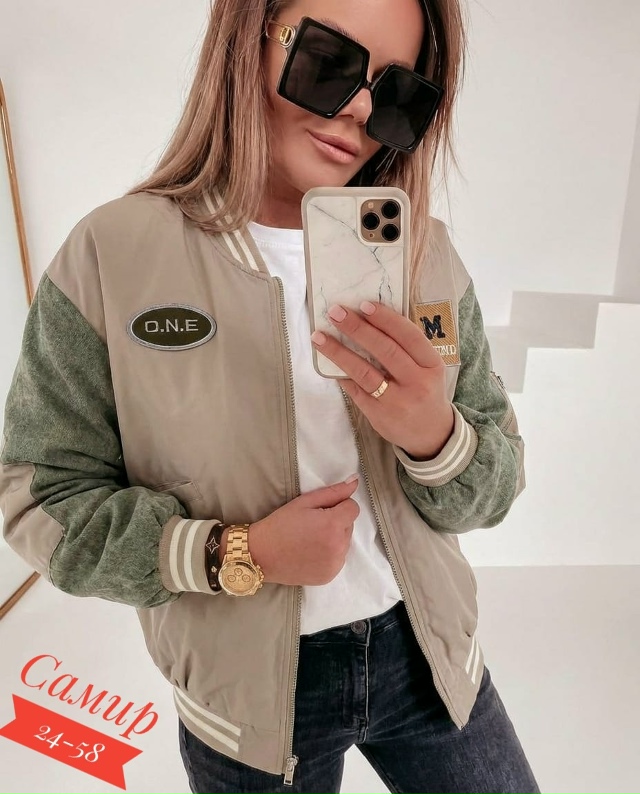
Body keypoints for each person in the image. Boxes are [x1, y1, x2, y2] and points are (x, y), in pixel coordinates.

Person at [0, 0, 542, 792]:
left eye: (398, 94)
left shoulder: (424, 255)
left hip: (431, 660)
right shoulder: (111, 257)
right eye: (329, 61)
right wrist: (236, 553)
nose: (359, 111)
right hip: (249, 703)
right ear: (245, 41)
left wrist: (435, 437)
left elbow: (494, 487)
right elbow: (38, 499)